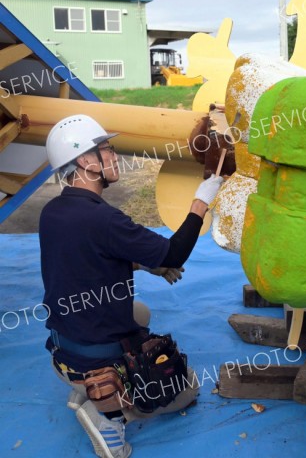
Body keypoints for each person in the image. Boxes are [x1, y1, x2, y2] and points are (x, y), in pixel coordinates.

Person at [39, 114, 223, 458]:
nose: (115, 158)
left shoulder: (52, 211)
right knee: (188, 389)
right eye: (107, 150)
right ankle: (108, 412)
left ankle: (89, 386)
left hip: (60, 350)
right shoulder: (105, 219)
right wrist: (202, 199)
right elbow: (175, 251)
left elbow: (86, 258)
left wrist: (147, 266)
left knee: (141, 312)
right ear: (85, 161)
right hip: (91, 355)